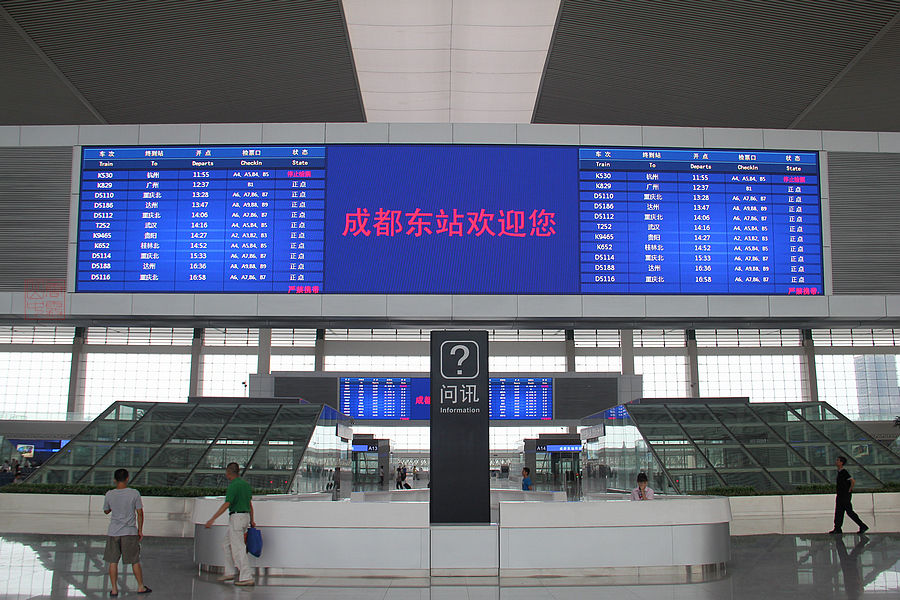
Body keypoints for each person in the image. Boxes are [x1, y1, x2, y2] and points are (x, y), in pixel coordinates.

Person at [204, 463, 256, 586]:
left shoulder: (233, 486)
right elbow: (250, 504)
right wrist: (252, 520)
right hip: (245, 517)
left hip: (236, 518)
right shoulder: (245, 485)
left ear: (228, 473)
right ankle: (229, 572)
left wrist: (212, 519)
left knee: (238, 548)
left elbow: (227, 504)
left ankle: (246, 576)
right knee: (226, 544)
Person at [103, 468, 151, 596]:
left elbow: (106, 510)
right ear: (127, 478)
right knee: (134, 560)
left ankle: (114, 589)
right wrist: (140, 530)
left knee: (113, 561)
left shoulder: (109, 494)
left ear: (114, 479)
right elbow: (140, 513)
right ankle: (140, 586)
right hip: (129, 532)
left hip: (113, 532)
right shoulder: (134, 493)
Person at [829, 456, 868, 534]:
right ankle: (837, 528)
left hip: (844, 495)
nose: (836, 462)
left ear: (841, 463)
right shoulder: (839, 472)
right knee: (839, 512)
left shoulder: (844, 472)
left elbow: (852, 481)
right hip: (840, 495)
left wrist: (850, 489)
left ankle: (862, 525)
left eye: (838, 460)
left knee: (849, 512)